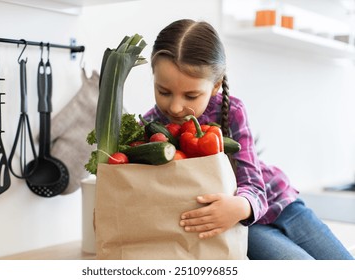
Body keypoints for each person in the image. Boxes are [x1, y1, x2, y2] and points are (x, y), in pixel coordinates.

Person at [142, 19, 354, 260]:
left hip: (276, 200)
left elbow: (253, 182)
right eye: (163, 91)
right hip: (241, 224)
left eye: (191, 95)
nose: (176, 107)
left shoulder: (232, 111)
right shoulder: (149, 128)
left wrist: (241, 205)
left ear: (215, 86)